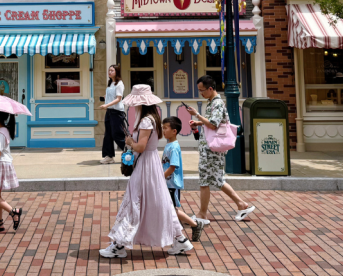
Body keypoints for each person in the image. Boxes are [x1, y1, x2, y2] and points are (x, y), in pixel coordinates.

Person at [101, 85, 193, 258]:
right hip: (151, 164)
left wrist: (129, 142)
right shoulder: (153, 118)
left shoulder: (145, 120)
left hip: (145, 165)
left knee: (134, 200)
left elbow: (141, 147)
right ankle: (180, 239)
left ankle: (119, 245)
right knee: (159, 202)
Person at [185, 76, 255, 228]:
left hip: (211, 150)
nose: (200, 93)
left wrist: (197, 115)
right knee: (217, 180)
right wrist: (198, 122)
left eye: (202, 90)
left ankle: (202, 215)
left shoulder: (216, 103)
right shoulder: (213, 102)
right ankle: (242, 205)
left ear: (210, 89)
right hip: (212, 148)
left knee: (204, 180)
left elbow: (213, 124)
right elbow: (213, 123)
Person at [161, 117, 202, 242]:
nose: (163, 131)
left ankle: (195, 225)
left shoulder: (173, 147)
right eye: (162, 128)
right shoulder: (169, 145)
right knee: (169, 208)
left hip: (172, 184)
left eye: (165, 128)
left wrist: (161, 177)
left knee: (172, 209)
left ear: (174, 131)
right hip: (168, 183)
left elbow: (173, 167)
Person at [99, 64, 126, 164]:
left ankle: (130, 152)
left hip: (117, 112)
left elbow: (118, 99)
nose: (109, 72)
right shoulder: (111, 83)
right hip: (109, 112)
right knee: (108, 135)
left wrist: (106, 105)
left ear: (116, 72)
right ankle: (109, 156)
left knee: (117, 134)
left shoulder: (120, 84)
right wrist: (105, 98)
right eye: (109, 70)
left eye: (112, 70)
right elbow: (112, 96)